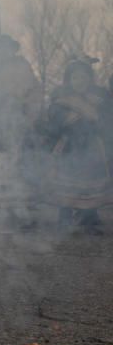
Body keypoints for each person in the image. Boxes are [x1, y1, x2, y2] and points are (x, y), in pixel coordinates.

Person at [0, 34, 43, 227]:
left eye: (7, 48)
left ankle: (23, 214)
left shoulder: (23, 67)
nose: (3, 52)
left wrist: (28, 117)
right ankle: (0, 213)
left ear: (12, 50)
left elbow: (35, 94)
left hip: (20, 126)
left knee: (22, 169)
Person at [42, 60, 113, 233]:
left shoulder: (99, 100)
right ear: (69, 80)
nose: (80, 81)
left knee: (90, 182)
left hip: (92, 148)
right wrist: (73, 118)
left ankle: (88, 218)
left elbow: (105, 122)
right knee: (66, 181)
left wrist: (95, 119)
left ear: (90, 79)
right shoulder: (60, 100)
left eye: (84, 77)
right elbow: (54, 124)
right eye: (75, 77)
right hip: (68, 147)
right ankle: (64, 219)